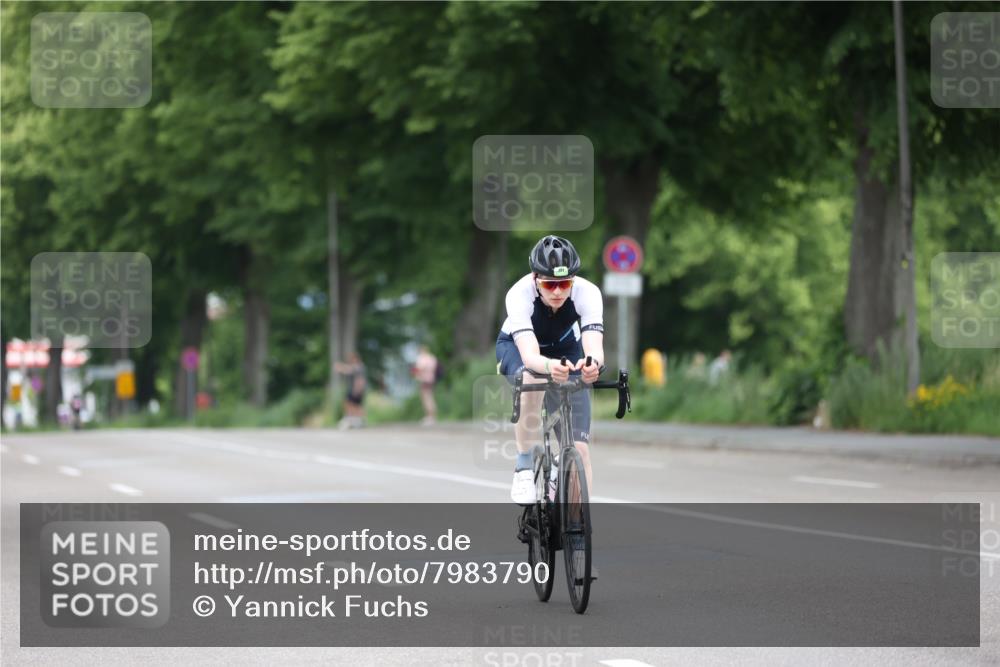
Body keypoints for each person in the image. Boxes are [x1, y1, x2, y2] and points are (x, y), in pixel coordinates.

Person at [496, 235, 605, 506]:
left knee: (580, 449)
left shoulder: (588, 292)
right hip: (520, 348)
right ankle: (523, 465)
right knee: (533, 378)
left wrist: (592, 366)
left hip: (566, 347)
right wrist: (548, 366)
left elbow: (593, 347)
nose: (558, 292)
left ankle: (578, 526)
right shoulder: (518, 294)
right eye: (550, 284)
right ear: (536, 279)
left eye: (564, 283)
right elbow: (532, 356)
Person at [334, 353, 366, 429]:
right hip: (354, 390)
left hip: (355, 390)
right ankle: (355, 420)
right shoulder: (359, 367)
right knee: (351, 405)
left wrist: (340, 367)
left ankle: (357, 420)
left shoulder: (359, 367)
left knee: (353, 405)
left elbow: (348, 370)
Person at [412, 345, 439, 425]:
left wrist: (414, 372)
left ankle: (429, 417)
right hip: (431, 379)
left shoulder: (422, 358)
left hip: (424, 380)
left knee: (426, 398)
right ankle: (433, 416)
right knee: (430, 397)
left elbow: (419, 368)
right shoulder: (432, 358)